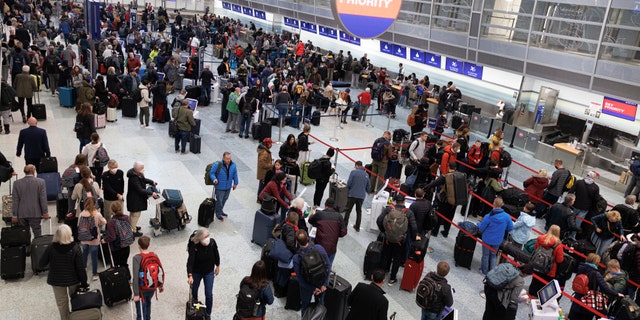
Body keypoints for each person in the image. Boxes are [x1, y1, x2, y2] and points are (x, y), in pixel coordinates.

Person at [41, 224, 88, 320]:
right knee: (76, 300)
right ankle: (76, 317)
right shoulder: (75, 247)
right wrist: (84, 282)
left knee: (62, 304)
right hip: (73, 280)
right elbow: (80, 267)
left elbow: (41, 264)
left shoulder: (51, 247)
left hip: (56, 280)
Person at [376, 194, 420, 285]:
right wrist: (414, 237)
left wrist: (384, 231)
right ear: (404, 202)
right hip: (400, 241)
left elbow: (379, 220)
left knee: (385, 256)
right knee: (397, 259)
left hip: (388, 239)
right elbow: (414, 227)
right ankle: (392, 279)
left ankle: (381, 276)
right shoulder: (408, 212)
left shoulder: (389, 209)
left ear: (395, 201)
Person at [568, 253, 624, 320]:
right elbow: (605, 288)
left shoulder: (581, 268)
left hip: (577, 298)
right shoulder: (595, 273)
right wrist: (617, 294)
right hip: (588, 301)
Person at [292, 229, 332, 316]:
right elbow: (328, 266)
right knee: (320, 305)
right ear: (308, 238)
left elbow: (301, 279)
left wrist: (313, 289)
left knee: (305, 307)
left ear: (297, 241)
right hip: (321, 283)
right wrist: (324, 284)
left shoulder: (297, 258)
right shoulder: (319, 248)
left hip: (307, 287)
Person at [423, 162, 467, 237]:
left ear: (448, 167)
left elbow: (434, 183)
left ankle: (435, 232)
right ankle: (446, 232)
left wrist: (425, 188)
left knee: (439, 216)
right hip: (454, 201)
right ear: (455, 168)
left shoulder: (446, 177)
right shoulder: (461, 175)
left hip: (444, 201)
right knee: (450, 217)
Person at [187, 227, 221, 317]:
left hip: (209, 272)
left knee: (209, 294)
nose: (207, 239)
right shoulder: (194, 246)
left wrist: (218, 266)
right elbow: (190, 262)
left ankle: (208, 313)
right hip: (196, 272)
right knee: (194, 291)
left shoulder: (212, 243)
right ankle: (196, 310)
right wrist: (190, 275)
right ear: (199, 238)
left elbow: (216, 254)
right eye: (205, 237)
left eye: (208, 236)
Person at [478, 198, 514, 275]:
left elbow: (481, 228)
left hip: (487, 238)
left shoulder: (488, 216)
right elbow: (510, 228)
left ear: (494, 203)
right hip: (498, 240)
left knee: (485, 255)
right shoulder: (507, 216)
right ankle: (492, 273)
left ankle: (484, 271)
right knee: (493, 255)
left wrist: (478, 223)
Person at [11, 164, 49, 238]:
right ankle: (36, 248)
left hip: (21, 213)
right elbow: (43, 199)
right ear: (33, 171)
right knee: (37, 234)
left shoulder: (16, 183)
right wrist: (45, 212)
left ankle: (26, 248)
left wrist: (14, 215)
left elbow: (15, 200)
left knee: (23, 235)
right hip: (35, 212)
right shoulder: (41, 182)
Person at [527, 225, 565, 296]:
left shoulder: (540, 238)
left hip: (537, 263)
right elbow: (559, 260)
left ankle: (531, 294)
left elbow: (535, 249)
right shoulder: (558, 245)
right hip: (549, 269)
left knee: (535, 281)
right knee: (544, 284)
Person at [132, 236, 164, 320]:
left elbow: (135, 277)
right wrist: (160, 285)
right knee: (148, 303)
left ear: (138, 246)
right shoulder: (154, 255)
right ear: (149, 245)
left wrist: (136, 294)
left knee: (140, 311)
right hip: (152, 286)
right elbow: (159, 271)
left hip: (141, 289)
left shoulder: (136, 258)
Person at [309, 198, 347, 264]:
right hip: (332, 248)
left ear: (325, 205)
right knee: (328, 265)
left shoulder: (320, 214)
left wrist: (313, 214)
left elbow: (310, 220)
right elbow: (344, 232)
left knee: (318, 265)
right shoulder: (339, 216)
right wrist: (335, 233)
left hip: (320, 246)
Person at [127, 161, 159, 237]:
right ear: (137, 169)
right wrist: (151, 193)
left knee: (132, 215)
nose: (143, 170)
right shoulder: (133, 178)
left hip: (134, 199)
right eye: (142, 168)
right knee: (135, 215)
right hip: (135, 200)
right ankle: (133, 231)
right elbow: (140, 190)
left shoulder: (137, 173)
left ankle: (132, 226)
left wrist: (152, 182)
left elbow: (143, 180)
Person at [78, 197, 106, 282]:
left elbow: (78, 225)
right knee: (94, 257)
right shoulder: (97, 214)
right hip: (94, 239)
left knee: (84, 254)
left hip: (83, 238)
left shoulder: (81, 214)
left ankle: (84, 268)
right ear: (94, 204)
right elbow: (104, 222)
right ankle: (94, 274)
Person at [209, 152, 239, 221]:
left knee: (225, 199)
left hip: (228, 187)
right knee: (219, 200)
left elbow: (235, 174)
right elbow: (212, 173)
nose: (228, 160)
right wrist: (214, 179)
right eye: (227, 159)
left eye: (229, 158)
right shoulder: (218, 165)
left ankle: (220, 210)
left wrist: (235, 183)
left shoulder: (233, 165)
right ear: (223, 158)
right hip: (220, 187)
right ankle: (218, 213)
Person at [103, 201, 132, 268]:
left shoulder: (111, 222)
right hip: (126, 245)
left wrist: (104, 240)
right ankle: (127, 276)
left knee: (115, 265)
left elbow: (112, 237)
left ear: (112, 210)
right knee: (124, 264)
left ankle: (118, 278)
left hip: (116, 248)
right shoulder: (126, 217)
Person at [344, 161, 371, 232]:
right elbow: (368, 187)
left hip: (352, 194)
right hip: (361, 196)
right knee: (359, 211)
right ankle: (357, 227)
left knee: (348, 210)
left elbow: (349, 183)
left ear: (356, 165)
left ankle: (344, 225)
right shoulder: (366, 175)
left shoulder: (353, 172)